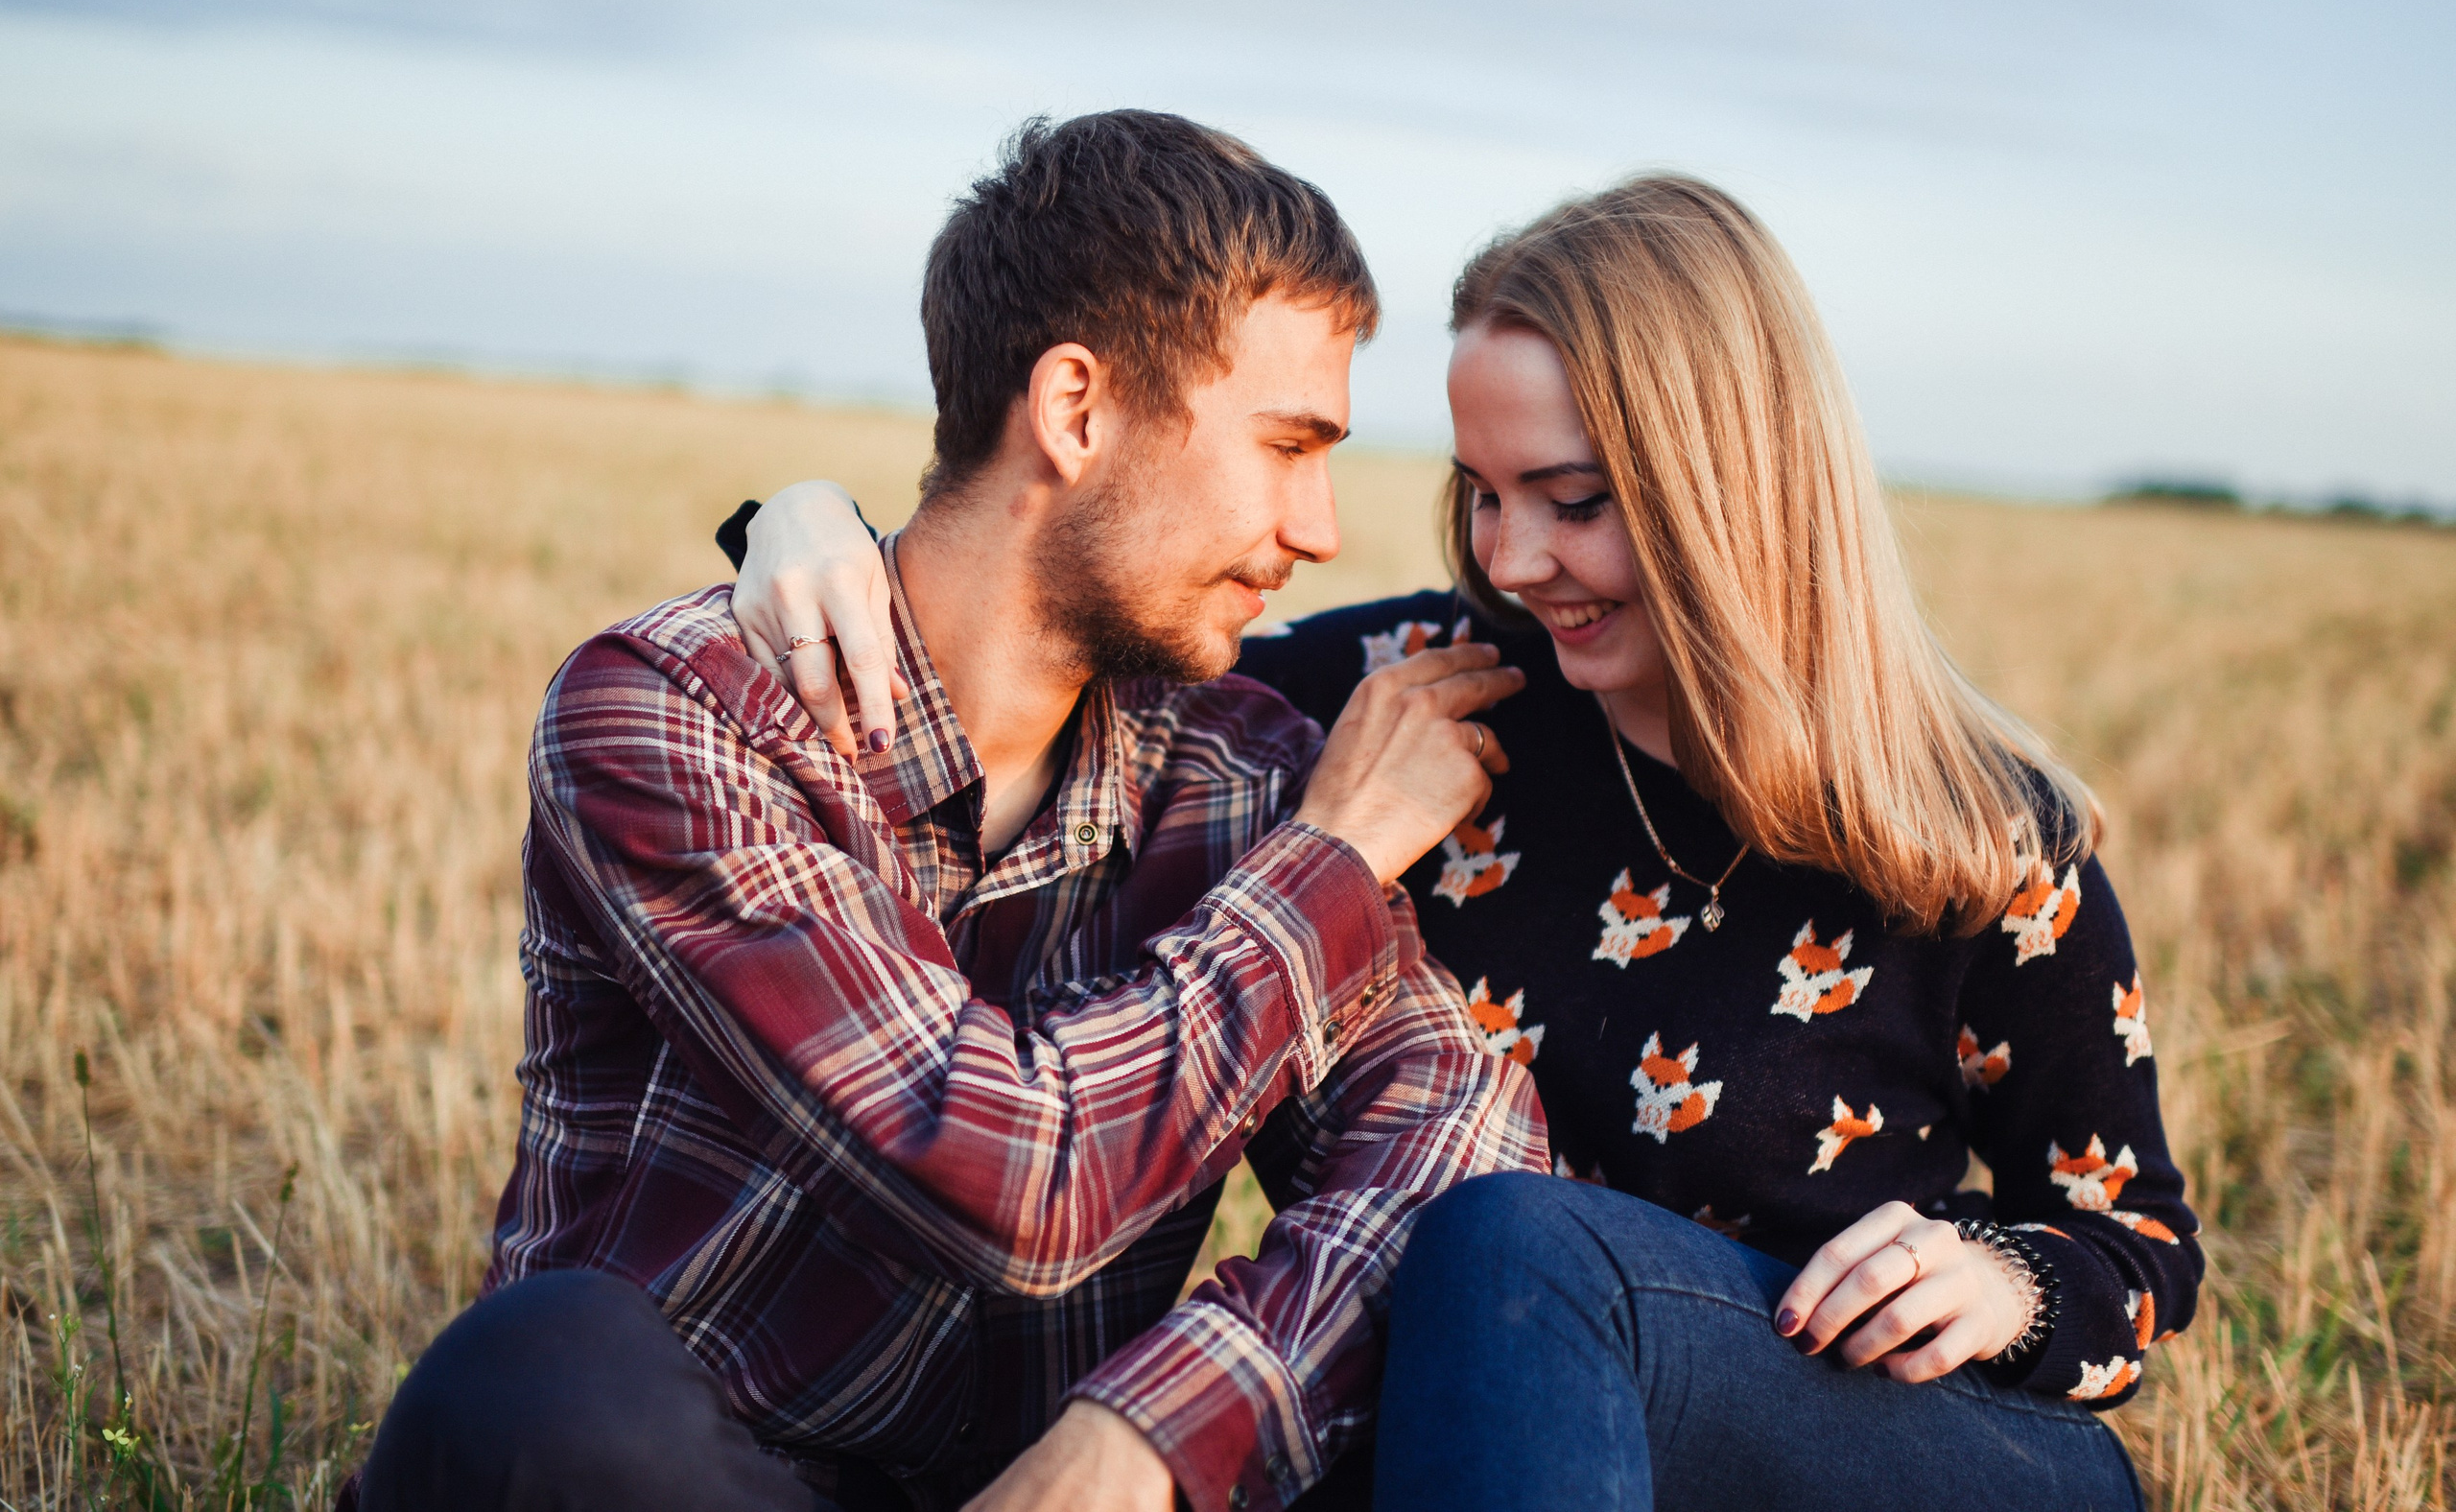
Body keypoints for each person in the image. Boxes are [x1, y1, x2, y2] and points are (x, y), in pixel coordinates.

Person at [731, 175, 2202, 1510]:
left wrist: (2008, 1283)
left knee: (1507, 1245)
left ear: (1729, 485)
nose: (1508, 559)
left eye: (1571, 502)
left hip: (1878, 1450)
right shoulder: (1436, 697)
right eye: (1482, 495)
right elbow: (1062, 628)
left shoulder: (1980, 831)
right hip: (1505, 1444)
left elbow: (2138, 1248)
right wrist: (802, 529)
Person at [350, 111, 1547, 1512]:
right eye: (1288, 444)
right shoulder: (680, 713)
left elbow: (1467, 1153)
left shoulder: (1239, 771)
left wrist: (1151, 1432)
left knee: (1403, 1378)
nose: (1323, 527)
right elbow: (1008, 1171)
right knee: (532, 1385)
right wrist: (1332, 864)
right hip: (691, 1475)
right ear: (1076, 410)